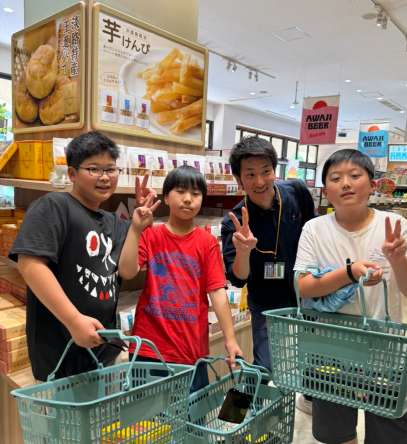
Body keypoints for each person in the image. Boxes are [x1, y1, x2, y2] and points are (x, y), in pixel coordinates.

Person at [294, 149, 407, 444]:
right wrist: (350, 273)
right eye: (335, 178)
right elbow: (303, 287)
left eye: (355, 175)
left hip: (386, 350)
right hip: (329, 351)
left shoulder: (394, 226)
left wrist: (398, 259)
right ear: (326, 190)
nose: (346, 183)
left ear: (372, 185)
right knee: (336, 434)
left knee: (390, 434)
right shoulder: (314, 229)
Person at [9, 131, 136, 381]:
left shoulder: (115, 222)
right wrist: (74, 320)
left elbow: (128, 271)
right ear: (72, 174)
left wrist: (137, 228)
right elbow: (30, 264)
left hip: (104, 353)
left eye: (110, 169)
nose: (104, 177)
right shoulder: (54, 206)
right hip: (60, 355)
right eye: (93, 169)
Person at [118, 165, 243, 392]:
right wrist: (135, 229)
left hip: (190, 350)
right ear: (166, 197)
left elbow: (217, 291)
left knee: (193, 411)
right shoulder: (151, 235)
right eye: (181, 191)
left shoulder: (207, 243)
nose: (188, 199)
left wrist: (230, 339)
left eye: (195, 194)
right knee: (148, 412)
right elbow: (127, 272)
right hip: (148, 347)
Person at [221, 136, 315, 412]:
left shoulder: (296, 192)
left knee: (314, 352)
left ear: (275, 170)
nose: (260, 181)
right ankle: (233, 416)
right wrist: (243, 251)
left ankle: (310, 399)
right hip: (266, 298)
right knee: (264, 364)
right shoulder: (234, 221)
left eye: (266, 171)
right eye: (250, 174)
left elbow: (315, 233)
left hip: (306, 289)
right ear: (239, 180)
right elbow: (238, 278)